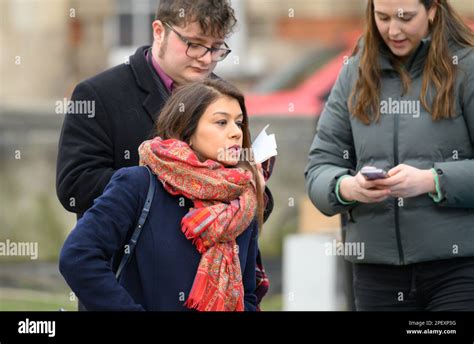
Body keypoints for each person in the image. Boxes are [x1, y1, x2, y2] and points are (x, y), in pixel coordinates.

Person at [56, 0, 272, 309]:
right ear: (159, 31)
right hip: (127, 284)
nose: (205, 59)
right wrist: (168, 181)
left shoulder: (223, 98)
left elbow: (240, 191)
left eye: (216, 48)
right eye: (194, 45)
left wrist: (250, 186)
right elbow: (74, 186)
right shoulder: (99, 93)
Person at [305, 0, 474, 311]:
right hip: (376, 273)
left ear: (433, 10)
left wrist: (432, 181)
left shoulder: (467, 67)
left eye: (405, 17)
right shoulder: (353, 72)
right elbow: (319, 168)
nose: (393, 30)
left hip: (458, 270)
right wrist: (346, 188)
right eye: (381, 17)